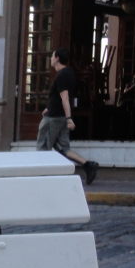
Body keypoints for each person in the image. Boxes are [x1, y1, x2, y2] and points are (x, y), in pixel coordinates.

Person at [37, 48, 99, 185]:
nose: (51, 58)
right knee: (64, 149)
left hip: (54, 118)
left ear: (57, 58)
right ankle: (88, 165)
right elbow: (59, 97)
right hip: (58, 115)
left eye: (52, 56)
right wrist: (49, 108)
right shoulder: (69, 73)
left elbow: (65, 98)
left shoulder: (62, 75)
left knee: (43, 147)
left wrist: (69, 118)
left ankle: (45, 177)